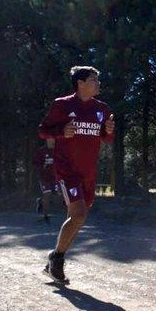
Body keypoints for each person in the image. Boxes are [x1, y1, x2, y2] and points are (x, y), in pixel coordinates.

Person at [38, 66, 114, 284]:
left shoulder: (102, 108)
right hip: (66, 169)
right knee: (79, 214)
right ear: (80, 83)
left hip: (88, 172)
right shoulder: (62, 105)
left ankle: (54, 259)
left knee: (77, 217)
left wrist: (108, 130)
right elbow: (43, 130)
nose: (98, 83)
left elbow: (106, 139)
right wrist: (60, 132)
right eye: (93, 79)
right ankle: (57, 259)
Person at [34, 138, 57, 223]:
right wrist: (42, 167)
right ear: (47, 140)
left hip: (55, 178)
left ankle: (40, 202)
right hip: (44, 178)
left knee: (57, 195)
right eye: (51, 139)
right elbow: (36, 164)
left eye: (54, 139)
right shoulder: (42, 151)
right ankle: (45, 216)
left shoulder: (58, 150)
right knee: (47, 194)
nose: (53, 141)